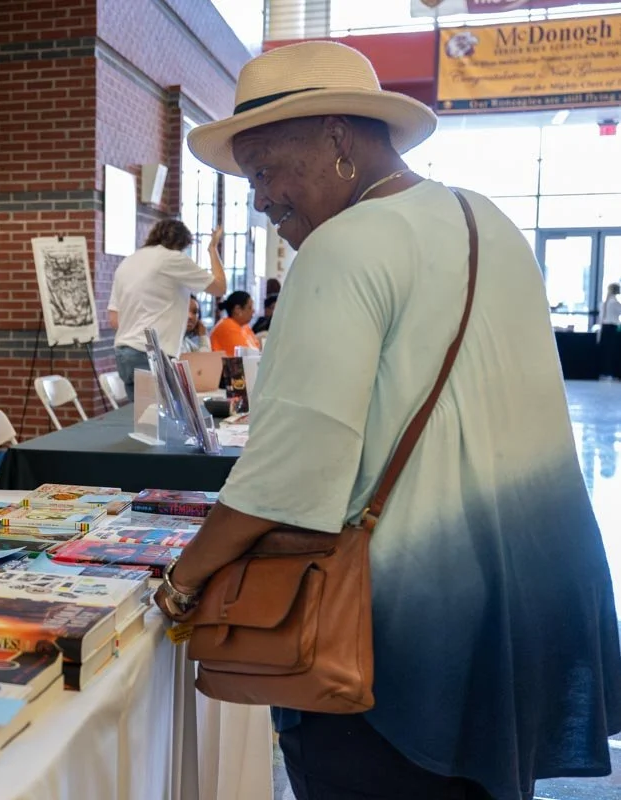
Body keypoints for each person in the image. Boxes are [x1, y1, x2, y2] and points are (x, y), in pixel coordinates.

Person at [155, 41, 620, 800]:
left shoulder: (341, 248)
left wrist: (181, 580)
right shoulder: (488, 219)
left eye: (265, 169)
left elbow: (289, 479)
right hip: (536, 604)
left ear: (338, 136)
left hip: (404, 640)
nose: (261, 199)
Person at [108, 221, 226, 399]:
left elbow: (113, 318)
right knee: (163, 414)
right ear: (181, 243)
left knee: (141, 414)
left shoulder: (127, 262)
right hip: (153, 354)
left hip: (125, 353)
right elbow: (220, 287)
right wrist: (213, 249)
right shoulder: (172, 258)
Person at [209, 291, 260, 356]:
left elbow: (257, 349)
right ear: (237, 310)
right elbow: (244, 356)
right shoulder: (227, 326)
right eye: (250, 307)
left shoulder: (245, 326)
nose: (253, 311)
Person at [601, 282, 620, 380]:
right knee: (612, 351)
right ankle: (611, 372)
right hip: (612, 327)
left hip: (605, 327)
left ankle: (605, 372)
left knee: (606, 350)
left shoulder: (605, 302)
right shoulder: (614, 302)